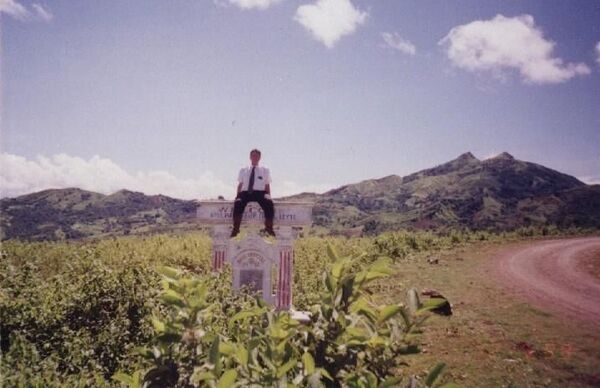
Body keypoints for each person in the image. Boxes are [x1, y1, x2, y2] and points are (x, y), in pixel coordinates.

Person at [231, 149, 275, 237]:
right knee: (238, 203)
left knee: (269, 203)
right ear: (250, 157)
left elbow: (267, 185)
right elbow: (240, 184)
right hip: (246, 193)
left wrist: (269, 196)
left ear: (260, 158)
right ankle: (236, 229)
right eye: (253, 155)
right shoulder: (243, 170)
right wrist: (237, 196)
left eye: (257, 156)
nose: (255, 157)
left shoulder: (264, 170)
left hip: (259, 193)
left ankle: (269, 228)